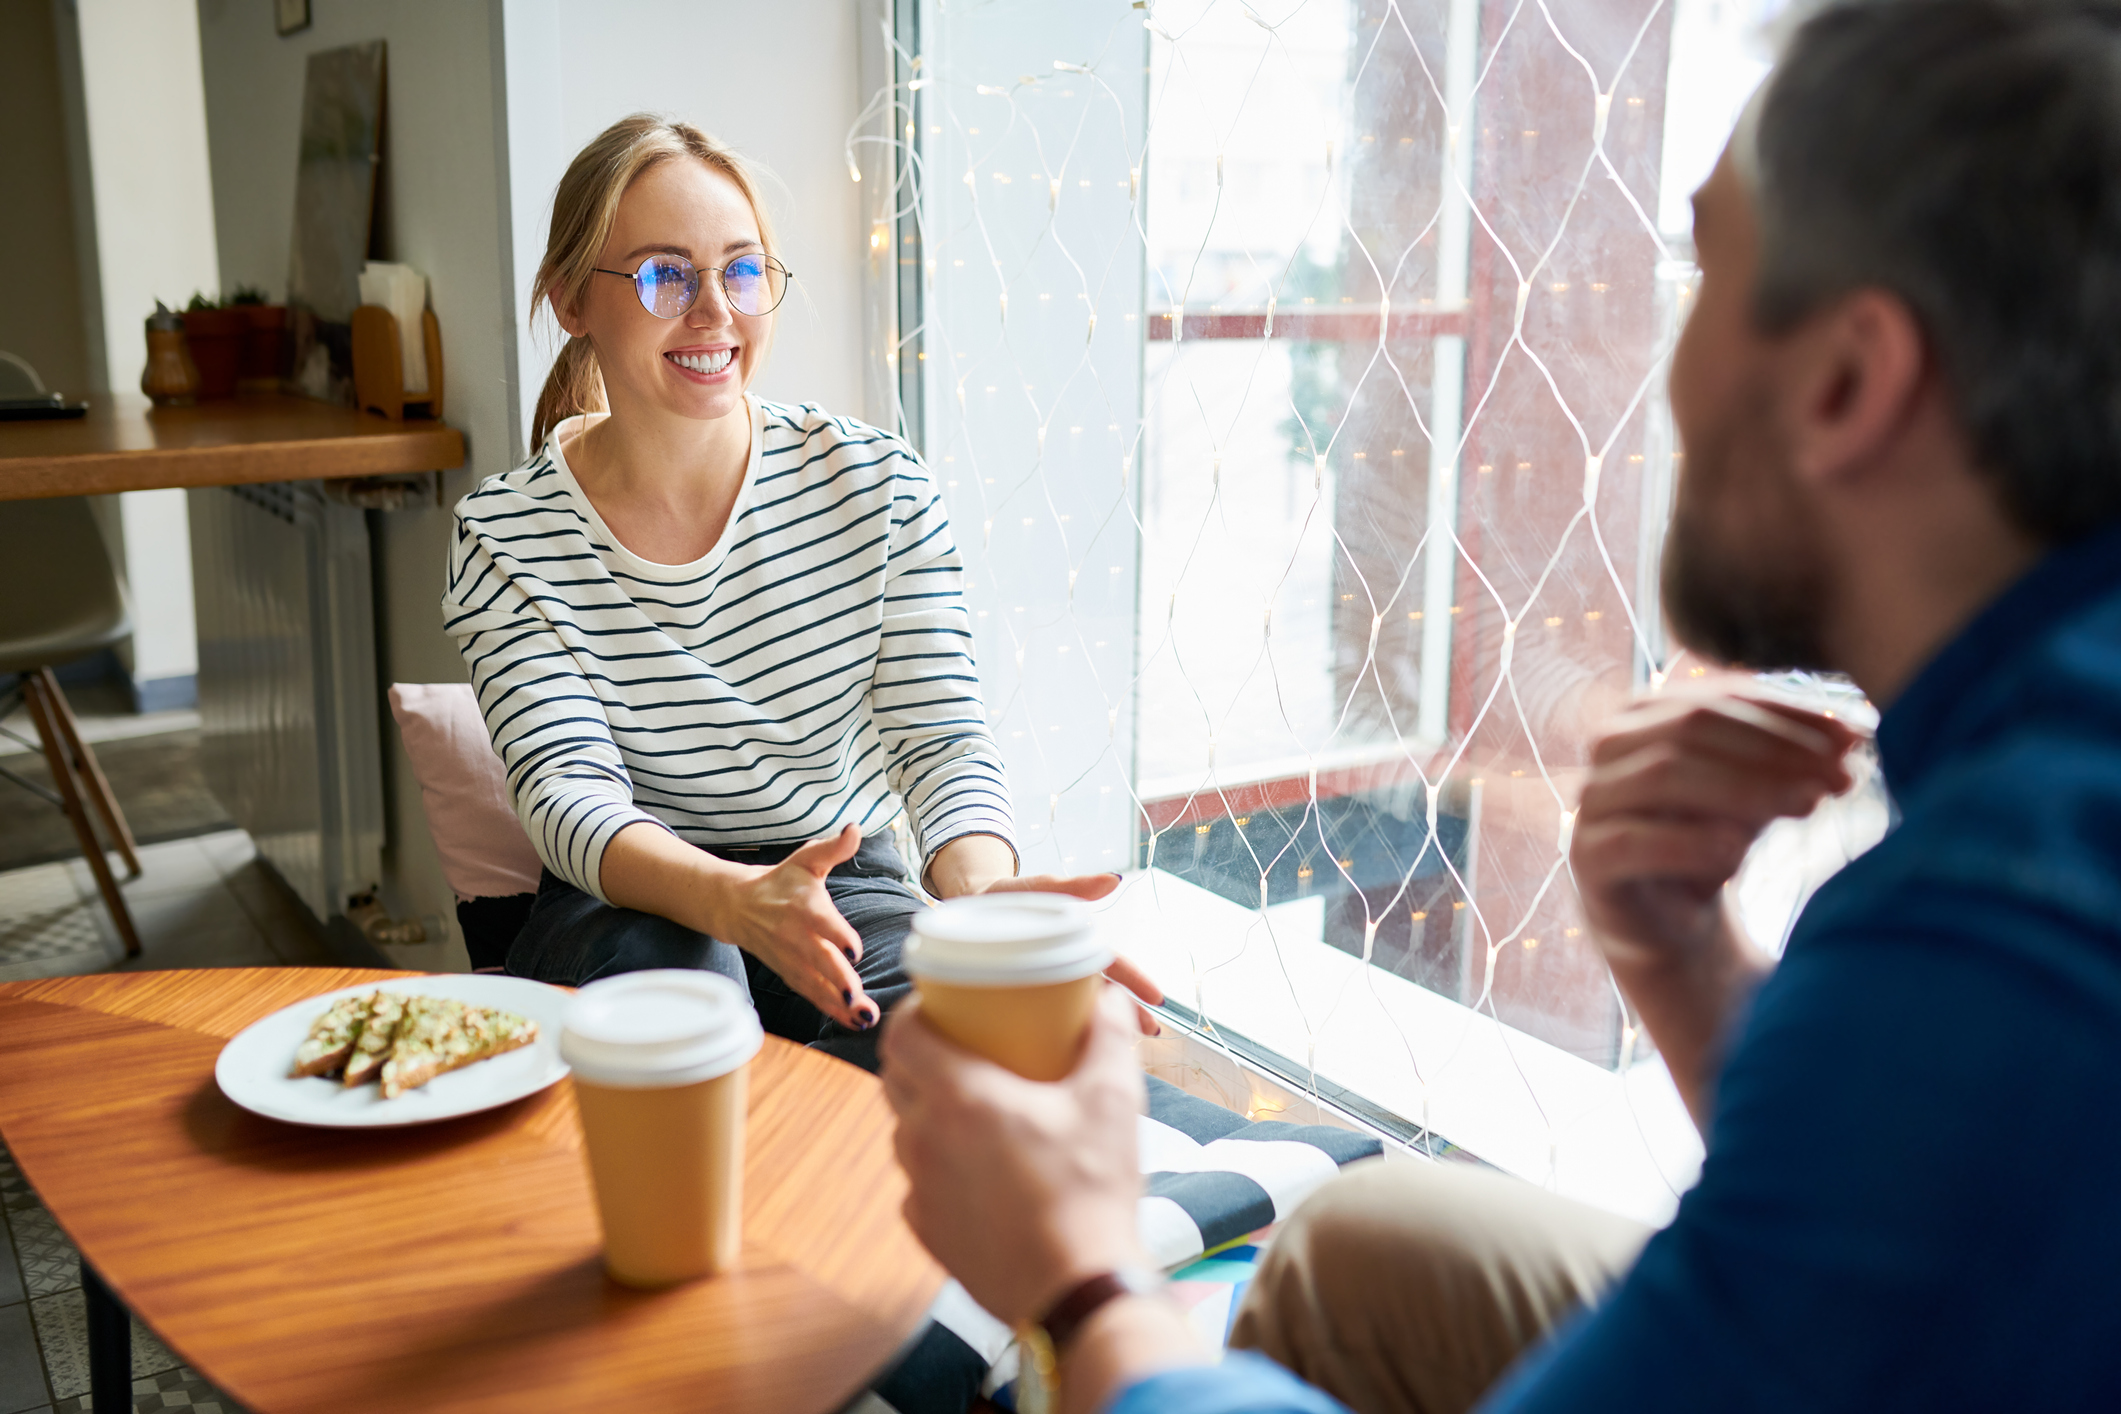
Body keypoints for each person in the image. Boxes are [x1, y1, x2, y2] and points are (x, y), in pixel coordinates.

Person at [881, 0, 2121, 1408]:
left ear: (1846, 381)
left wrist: (1086, 1272)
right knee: (1370, 1243)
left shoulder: (1998, 924)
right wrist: (1676, 948)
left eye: (1703, 269)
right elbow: (1917, 1232)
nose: (1672, 367)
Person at [444, 114, 1157, 1071]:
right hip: (621, 903)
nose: (715, 312)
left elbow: (937, 739)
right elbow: (570, 797)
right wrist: (733, 901)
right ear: (573, 299)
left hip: (845, 877)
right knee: (689, 1003)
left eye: (741, 271)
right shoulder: (506, 533)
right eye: (665, 274)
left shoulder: (879, 487)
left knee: (964, 1045)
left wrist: (984, 899)